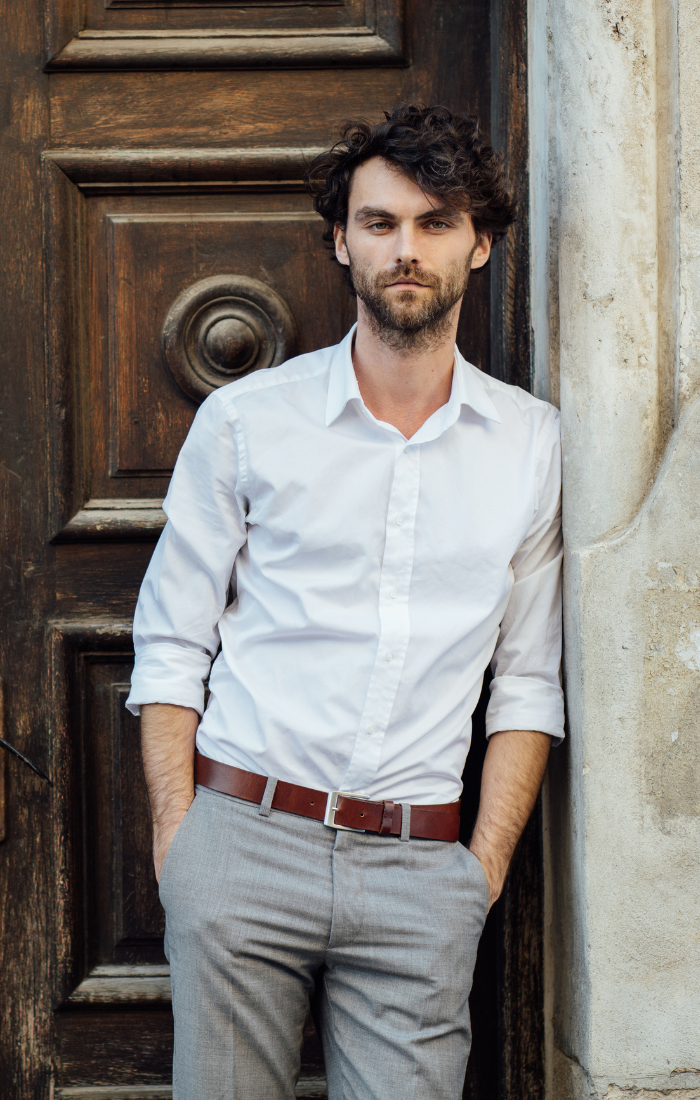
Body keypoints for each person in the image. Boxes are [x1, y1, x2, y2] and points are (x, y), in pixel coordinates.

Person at [126, 104, 564, 1100]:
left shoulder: (531, 444)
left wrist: (477, 872)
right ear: (340, 239)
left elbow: (529, 680)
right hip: (242, 842)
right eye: (379, 222)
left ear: (479, 242)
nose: (405, 248)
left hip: (421, 871)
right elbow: (171, 637)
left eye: (435, 221)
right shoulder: (248, 421)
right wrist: (179, 843)